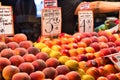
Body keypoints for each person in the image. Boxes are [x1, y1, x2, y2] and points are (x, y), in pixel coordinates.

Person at [1, 0, 120, 41]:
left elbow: (93, 6)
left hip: (60, 53)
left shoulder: (66, 3)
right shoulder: (18, 2)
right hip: (22, 55)